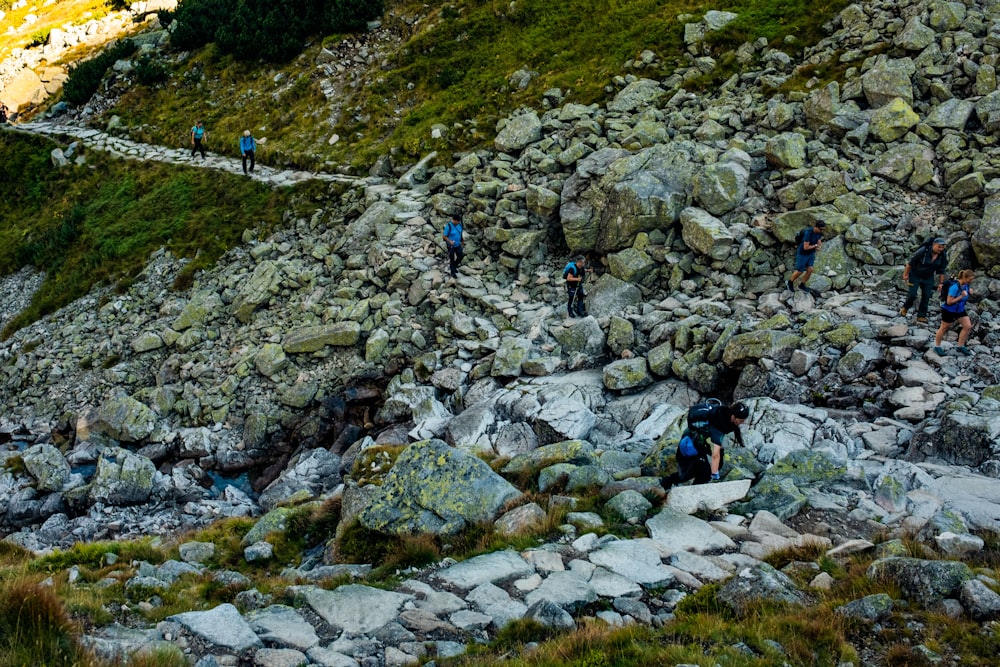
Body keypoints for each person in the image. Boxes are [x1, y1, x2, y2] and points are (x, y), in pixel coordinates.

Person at [662, 401, 749, 489]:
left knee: (696, 471)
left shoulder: (724, 416)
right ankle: (692, 492)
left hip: (697, 441)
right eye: (741, 420)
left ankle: (669, 482)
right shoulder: (719, 424)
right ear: (733, 417)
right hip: (691, 443)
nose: (743, 422)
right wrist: (715, 476)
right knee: (704, 473)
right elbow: (715, 455)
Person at [901, 237, 947, 323]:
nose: (940, 249)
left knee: (926, 296)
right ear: (933, 245)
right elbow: (910, 263)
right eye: (939, 247)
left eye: (942, 247)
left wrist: (941, 283)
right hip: (915, 275)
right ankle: (905, 307)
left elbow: (942, 270)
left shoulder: (942, 255)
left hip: (928, 277)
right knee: (912, 294)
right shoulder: (923, 251)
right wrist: (906, 274)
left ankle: (921, 316)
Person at [934, 269, 974, 356]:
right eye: (970, 279)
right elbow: (949, 302)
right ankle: (937, 346)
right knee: (944, 328)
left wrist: (969, 293)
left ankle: (960, 346)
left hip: (960, 309)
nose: (971, 281)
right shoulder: (954, 287)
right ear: (965, 278)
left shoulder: (966, 285)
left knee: (967, 326)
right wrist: (961, 296)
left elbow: (965, 295)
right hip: (949, 310)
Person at [785, 220, 826, 296]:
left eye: (823, 229)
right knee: (800, 270)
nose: (822, 231)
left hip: (811, 253)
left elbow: (819, 240)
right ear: (816, 227)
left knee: (810, 269)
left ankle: (802, 285)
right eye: (821, 229)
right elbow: (805, 247)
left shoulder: (819, 232)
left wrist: (819, 244)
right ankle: (789, 282)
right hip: (803, 253)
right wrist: (815, 246)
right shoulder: (808, 233)